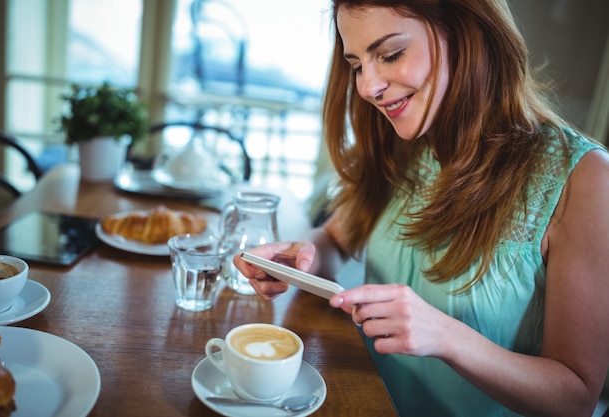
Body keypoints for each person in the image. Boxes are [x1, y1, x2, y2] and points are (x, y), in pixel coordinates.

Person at [233, 0, 609, 416]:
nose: (367, 87)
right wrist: (301, 259)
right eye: (357, 64)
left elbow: (576, 397)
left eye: (390, 54)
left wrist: (446, 336)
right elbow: (336, 240)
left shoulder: (585, 179)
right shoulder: (404, 140)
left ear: (466, 35)